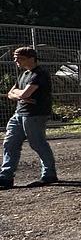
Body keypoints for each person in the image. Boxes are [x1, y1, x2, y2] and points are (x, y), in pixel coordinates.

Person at [0, 46, 57, 188]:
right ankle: (6, 177)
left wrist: (20, 95)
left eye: (20, 58)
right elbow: (11, 93)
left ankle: (49, 174)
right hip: (19, 113)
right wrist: (20, 95)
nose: (16, 61)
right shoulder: (24, 74)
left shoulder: (40, 74)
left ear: (31, 58)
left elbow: (24, 94)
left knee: (37, 143)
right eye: (15, 58)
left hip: (35, 114)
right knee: (10, 143)